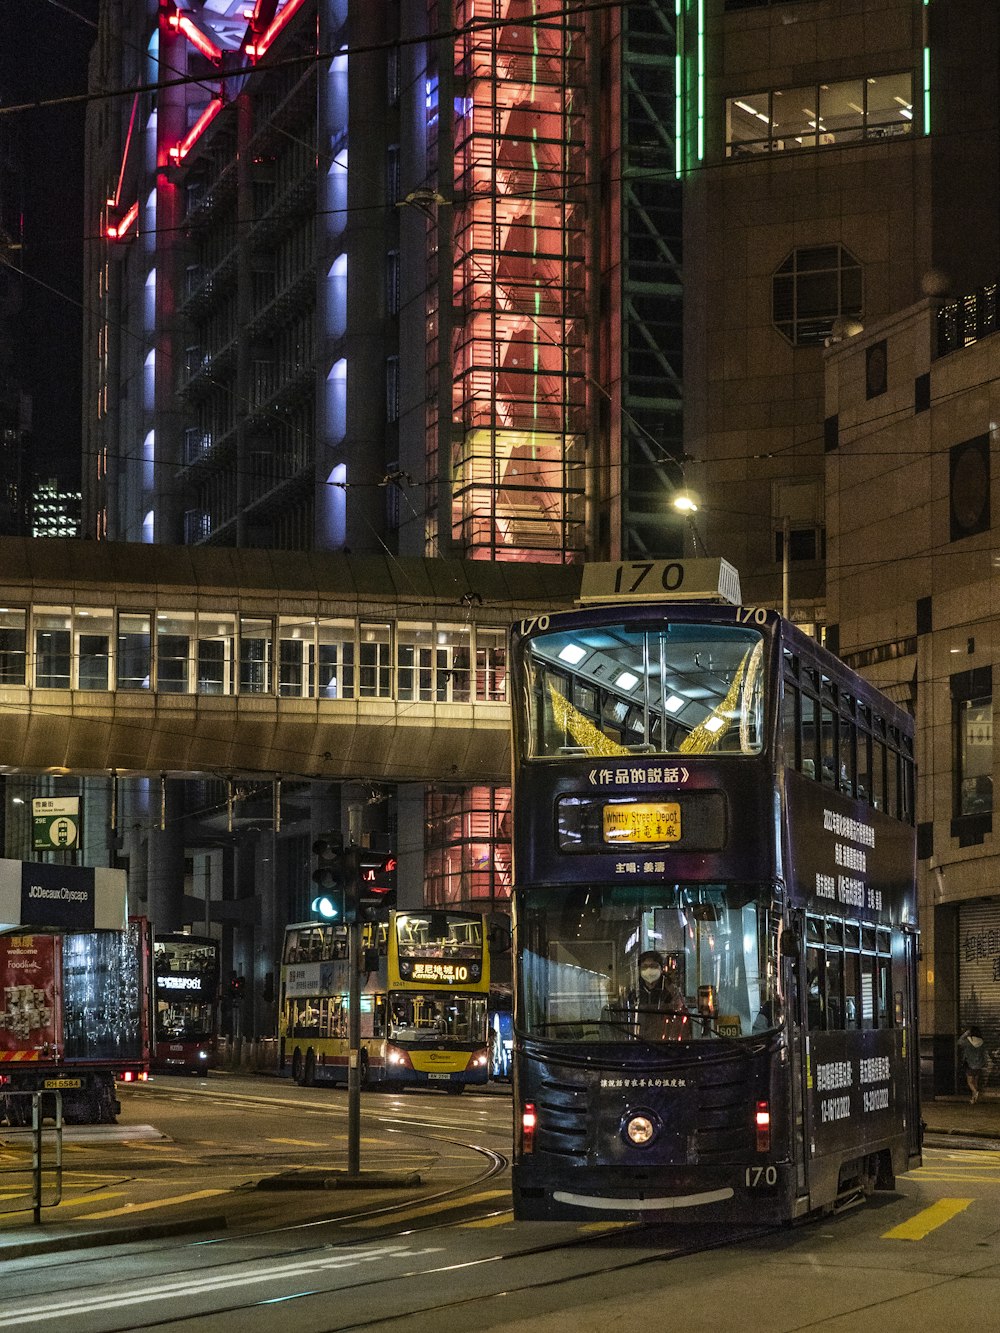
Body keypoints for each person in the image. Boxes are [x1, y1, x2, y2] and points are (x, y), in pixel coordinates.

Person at [633, 950, 686, 1040]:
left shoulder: (671, 991)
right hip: (639, 1042)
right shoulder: (634, 993)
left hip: (665, 1043)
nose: (649, 970)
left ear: (661, 969)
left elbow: (679, 1016)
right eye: (644, 967)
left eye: (653, 966)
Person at [958, 1026, 988, 1103]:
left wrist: (966, 1033)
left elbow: (959, 1042)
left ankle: (975, 1092)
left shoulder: (967, 1041)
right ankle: (974, 1099)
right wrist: (984, 1063)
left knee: (970, 1082)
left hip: (970, 1064)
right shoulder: (981, 1041)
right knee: (975, 1081)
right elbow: (984, 1054)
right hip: (979, 1065)